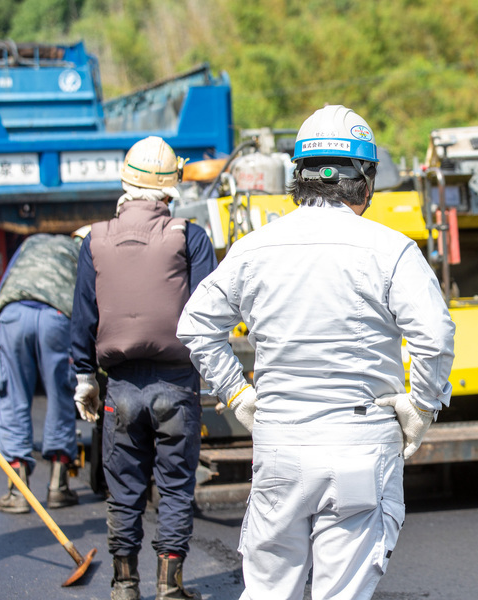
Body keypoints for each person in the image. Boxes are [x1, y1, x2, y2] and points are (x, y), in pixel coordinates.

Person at [177, 105, 455, 600]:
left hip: (280, 441)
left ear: (297, 177)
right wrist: (423, 405)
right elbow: (433, 335)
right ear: (366, 181)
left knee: (267, 590)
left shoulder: (254, 248)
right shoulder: (392, 250)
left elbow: (196, 324)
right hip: (361, 443)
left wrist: (237, 393)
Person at [70, 136, 217, 600]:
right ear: (172, 185)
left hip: (120, 387)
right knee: (175, 486)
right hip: (176, 385)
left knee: (124, 488)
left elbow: (83, 315)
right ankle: (170, 585)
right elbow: (209, 314)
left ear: (126, 182)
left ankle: (124, 583)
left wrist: (84, 377)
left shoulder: (94, 240)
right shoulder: (190, 237)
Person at [0, 228, 88, 513]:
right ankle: (58, 486)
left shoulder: (29, 243)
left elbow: (5, 283)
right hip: (55, 316)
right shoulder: (82, 253)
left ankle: (18, 490)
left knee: (13, 396)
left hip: (13, 313)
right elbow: (88, 304)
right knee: (61, 394)